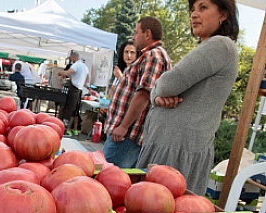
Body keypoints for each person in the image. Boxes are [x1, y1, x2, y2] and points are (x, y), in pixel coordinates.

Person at [136, 0, 239, 196]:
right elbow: (165, 88)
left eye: (203, 7)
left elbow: (167, 84)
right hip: (174, 147)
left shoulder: (220, 45)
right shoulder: (212, 47)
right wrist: (158, 97)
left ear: (223, 14)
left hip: (176, 150)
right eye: (193, 9)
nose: (194, 14)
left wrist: (157, 92)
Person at [102, 16, 172, 169]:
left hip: (126, 136)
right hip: (124, 135)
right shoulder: (150, 55)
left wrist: (124, 126)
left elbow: (144, 94)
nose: (133, 37)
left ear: (147, 34)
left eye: (136, 33)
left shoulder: (154, 56)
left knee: (107, 179)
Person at [58, 51, 90, 136]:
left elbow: (66, 73)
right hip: (79, 91)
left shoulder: (76, 65)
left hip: (73, 90)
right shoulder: (85, 67)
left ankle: (64, 128)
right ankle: (73, 129)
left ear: (73, 57)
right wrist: (88, 87)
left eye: (71, 58)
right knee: (75, 111)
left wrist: (60, 72)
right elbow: (86, 81)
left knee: (67, 110)